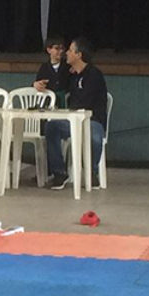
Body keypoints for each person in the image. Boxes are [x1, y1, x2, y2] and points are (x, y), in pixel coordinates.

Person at [45, 36, 108, 190]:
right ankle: (59, 173)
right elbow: (56, 85)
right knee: (52, 127)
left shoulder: (94, 75)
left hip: (92, 120)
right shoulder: (71, 75)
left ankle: (91, 172)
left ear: (79, 55)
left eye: (70, 50)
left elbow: (86, 102)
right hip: (72, 121)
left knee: (94, 135)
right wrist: (35, 84)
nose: (66, 53)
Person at [32, 35, 70, 108]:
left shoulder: (68, 66)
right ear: (49, 50)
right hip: (48, 104)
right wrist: (35, 85)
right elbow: (37, 83)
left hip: (65, 104)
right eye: (57, 48)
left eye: (62, 48)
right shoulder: (44, 68)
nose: (61, 51)